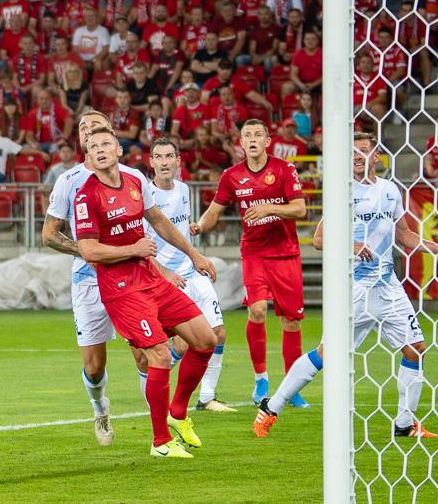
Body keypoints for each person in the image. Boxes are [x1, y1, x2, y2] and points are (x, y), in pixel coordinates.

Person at [255, 133, 438, 439]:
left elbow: (404, 235)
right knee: (326, 354)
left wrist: (434, 247)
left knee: (416, 349)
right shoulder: (344, 193)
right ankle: (271, 406)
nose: (356, 156)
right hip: (354, 288)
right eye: (352, 152)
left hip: (388, 286)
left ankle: (405, 424)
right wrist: (351, 245)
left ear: (376, 156)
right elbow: (319, 240)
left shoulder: (390, 190)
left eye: (363, 151)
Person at [75, 127, 218, 458]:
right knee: (160, 355)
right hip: (122, 290)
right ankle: (160, 442)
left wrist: (193, 255)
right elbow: (88, 250)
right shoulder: (87, 196)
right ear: (88, 156)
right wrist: (133, 249)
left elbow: (159, 221)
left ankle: (177, 413)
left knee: (206, 340)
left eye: (106, 143)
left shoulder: (135, 180)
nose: (100, 149)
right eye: (93, 146)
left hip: (151, 279)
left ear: (118, 151)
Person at [42, 110, 153, 447]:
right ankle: (100, 408)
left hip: (131, 276)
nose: (88, 130)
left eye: (95, 125)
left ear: (111, 136)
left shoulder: (133, 177)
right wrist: (89, 251)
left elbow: (153, 223)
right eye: (82, 128)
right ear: (81, 141)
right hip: (88, 279)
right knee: (93, 367)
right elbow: (49, 234)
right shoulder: (69, 180)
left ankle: (161, 428)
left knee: (144, 353)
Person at [191, 119, 308, 406]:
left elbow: (300, 209)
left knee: (291, 321)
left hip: (286, 253)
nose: (253, 139)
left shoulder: (284, 169)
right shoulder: (231, 176)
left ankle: (292, 389)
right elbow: (214, 211)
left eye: (258, 134)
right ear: (241, 143)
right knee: (257, 310)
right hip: (254, 253)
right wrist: (200, 225)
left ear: (268, 141)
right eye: (247, 135)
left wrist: (268, 208)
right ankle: (261, 380)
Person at [145, 139, 234, 412]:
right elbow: (141, 244)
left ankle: (206, 396)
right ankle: (157, 382)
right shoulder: (146, 196)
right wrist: (164, 273)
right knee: (184, 344)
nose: (164, 162)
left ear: (178, 161)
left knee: (218, 333)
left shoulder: (184, 190)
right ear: (151, 162)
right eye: (159, 157)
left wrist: (195, 249)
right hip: (168, 278)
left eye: (169, 156)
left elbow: (179, 232)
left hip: (192, 272)